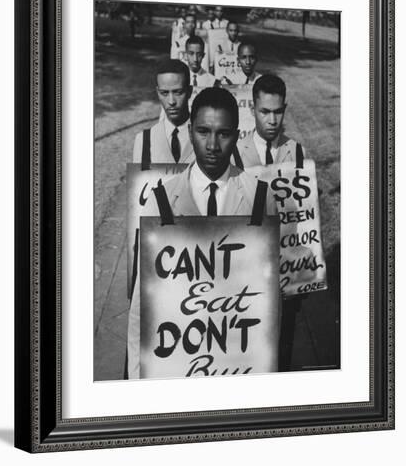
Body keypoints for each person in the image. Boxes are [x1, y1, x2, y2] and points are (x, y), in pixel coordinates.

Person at [127, 88, 277, 377]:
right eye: (203, 131)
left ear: (236, 135)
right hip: (177, 359)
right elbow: (140, 311)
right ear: (189, 130)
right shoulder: (160, 200)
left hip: (236, 361)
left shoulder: (261, 197)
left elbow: (268, 304)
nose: (212, 145)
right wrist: (137, 383)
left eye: (223, 134)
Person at [132, 59, 195, 164]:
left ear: (189, 91)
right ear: (157, 92)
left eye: (178, 92)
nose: (171, 101)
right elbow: (139, 179)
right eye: (164, 93)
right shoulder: (144, 140)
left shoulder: (207, 136)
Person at [235, 74, 306, 167]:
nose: (272, 121)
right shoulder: (235, 154)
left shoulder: (297, 152)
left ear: (284, 109)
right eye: (265, 112)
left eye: (278, 112)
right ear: (253, 110)